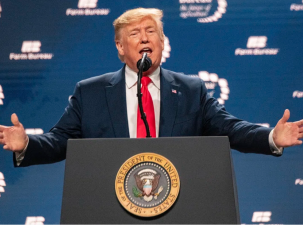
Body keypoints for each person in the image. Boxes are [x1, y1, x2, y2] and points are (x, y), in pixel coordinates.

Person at [0, 8, 302, 167]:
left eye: (151, 32)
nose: (145, 39)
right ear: (120, 47)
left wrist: (271, 137)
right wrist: (27, 144)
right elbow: (59, 141)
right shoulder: (89, 93)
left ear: (162, 42)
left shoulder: (191, 90)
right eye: (135, 34)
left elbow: (230, 129)